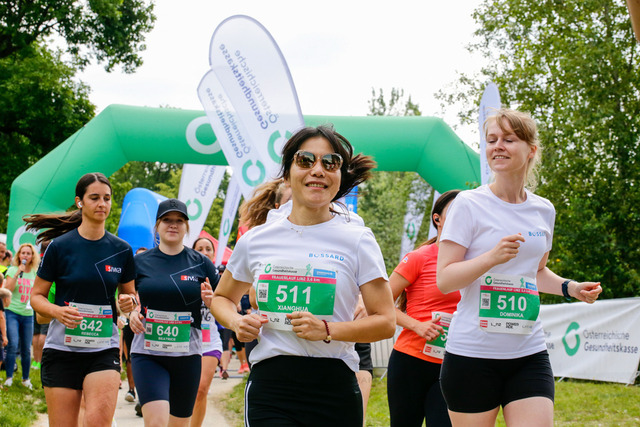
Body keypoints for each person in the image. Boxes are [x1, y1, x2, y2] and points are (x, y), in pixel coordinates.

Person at [209, 125, 396, 426]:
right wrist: (236, 322)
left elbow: (386, 322)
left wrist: (327, 329)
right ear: (287, 174)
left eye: (330, 162)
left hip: (335, 387)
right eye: (306, 160)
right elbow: (222, 298)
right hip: (272, 387)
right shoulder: (256, 239)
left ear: (339, 176)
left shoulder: (358, 240)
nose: (318, 170)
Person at [436, 109, 602, 427]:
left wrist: (571, 288)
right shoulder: (468, 204)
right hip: (472, 355)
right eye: (492, 140)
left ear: (531, 150)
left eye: (509, 139)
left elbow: (536, 272)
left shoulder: (543, 209)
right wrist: (491, 258)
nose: (498, 146)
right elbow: (445, 279)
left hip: (528, 352)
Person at [28, 172, 137, 426]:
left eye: (107, 198)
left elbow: (130, 295)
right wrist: (56, 311)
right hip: (62, 349)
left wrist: (129, 303)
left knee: (98, 422)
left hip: (103, 348)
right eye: (95, 198)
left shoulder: (122, 250)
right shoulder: (59, 247)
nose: (102, 204)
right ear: (80, 202)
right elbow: (36, 297)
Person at [128, 199, 220, 426]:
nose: (173, 225)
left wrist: (212, 302)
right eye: (167, 220)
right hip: (148, 353)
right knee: (156, 423)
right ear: (157, 226)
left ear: (186, 226)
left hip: (187, 355)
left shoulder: (201, 263)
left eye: (179, 221)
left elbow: (225, 303)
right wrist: (130, 312)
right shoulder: (139, 262)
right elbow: (126, 297)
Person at [386, 190, 461, 427]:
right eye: (455, 212)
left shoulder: (474, 262)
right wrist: (417, 325)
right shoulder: (419, 257)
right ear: (437, 219)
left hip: (454, 362)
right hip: (411, 361)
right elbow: (381, 303)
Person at [190, 236, 223, 427]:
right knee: (187, 392)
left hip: (210, 342)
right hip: (186, 342)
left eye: (208, 249)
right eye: (199, 249)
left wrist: (213, 303)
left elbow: (231, 309)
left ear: (213, 253)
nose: (204, 252)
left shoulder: (220, 280)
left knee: (201, 389)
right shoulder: (184, 278)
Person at [3, 242, 40, 389]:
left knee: (26, 348)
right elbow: (8, 290)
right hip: (12, 312)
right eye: (23, 253)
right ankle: (9, 377)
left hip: (28, 314)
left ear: (32, 256)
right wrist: (18, 272)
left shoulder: (35, 273)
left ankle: (26, 379)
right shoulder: (13, 270)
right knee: (12, 344)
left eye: (28, 253)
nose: (25, 255)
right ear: (19, 255)